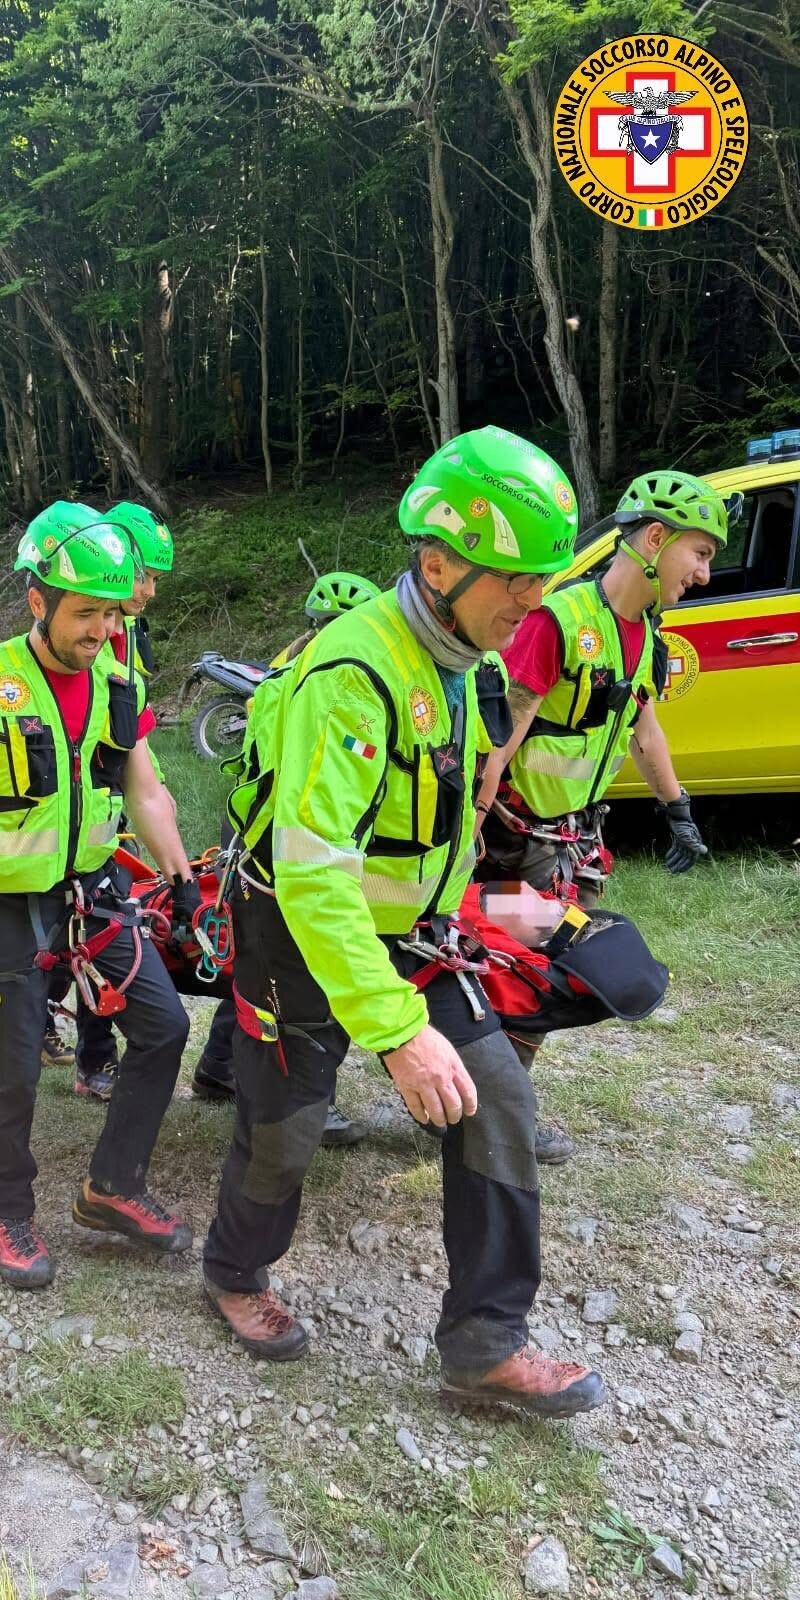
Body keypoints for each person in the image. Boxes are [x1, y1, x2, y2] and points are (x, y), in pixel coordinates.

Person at [201, 427, 608, 1419]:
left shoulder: (465, 661)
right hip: (294, 934)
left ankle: (484, 1341)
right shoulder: (356, 672)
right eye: (517, 579)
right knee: (287, 1134)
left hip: (411, 936)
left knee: (500, 1099)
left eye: (544, 579)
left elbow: (446, 818)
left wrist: (508, 914)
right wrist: (394, 1029)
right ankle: (232, 1268)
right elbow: (313, 875)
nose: (535, 600)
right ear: (438, 562)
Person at [0, 501, 198, 1290]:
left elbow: (147, 790)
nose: (100, 629)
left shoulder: (120, 676)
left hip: (94, 898)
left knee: (162, 1028)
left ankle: (112, 1187)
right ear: (38, 600)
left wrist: (183, 882)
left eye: (112, 611)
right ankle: (8, 1207)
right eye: (84, 612)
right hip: (6, 907)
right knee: (17, 1064)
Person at [191, 570, 383, 1148]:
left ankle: (217, 1069)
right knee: (295, 980)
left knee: (255, 970)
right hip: (283, 847)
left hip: (257, 840)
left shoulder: (280, 684)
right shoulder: (318, 691)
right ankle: (293, 1097)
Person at [476, 469, 730, 903]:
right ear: (655, 537)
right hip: (514, 843)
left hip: (577, 834)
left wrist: (678, 809)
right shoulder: (556, 623)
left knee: (579, 949)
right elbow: (500, 742)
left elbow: (644, 732)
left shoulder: (647, 637)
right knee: (536, 955)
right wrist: (468, 833)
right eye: (700, 553)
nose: (705, 575)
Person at [67, 500, 177, 1101]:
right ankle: (85, 1055)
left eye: (156, 578)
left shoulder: (130, 632)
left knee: (107, 929)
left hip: (114, 791)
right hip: (79, 797)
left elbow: (133, 720)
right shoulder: (90, 633)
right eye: (145, 575)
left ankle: (94, 1055)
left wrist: (152, 789)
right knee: (84, 935)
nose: (150, 590)